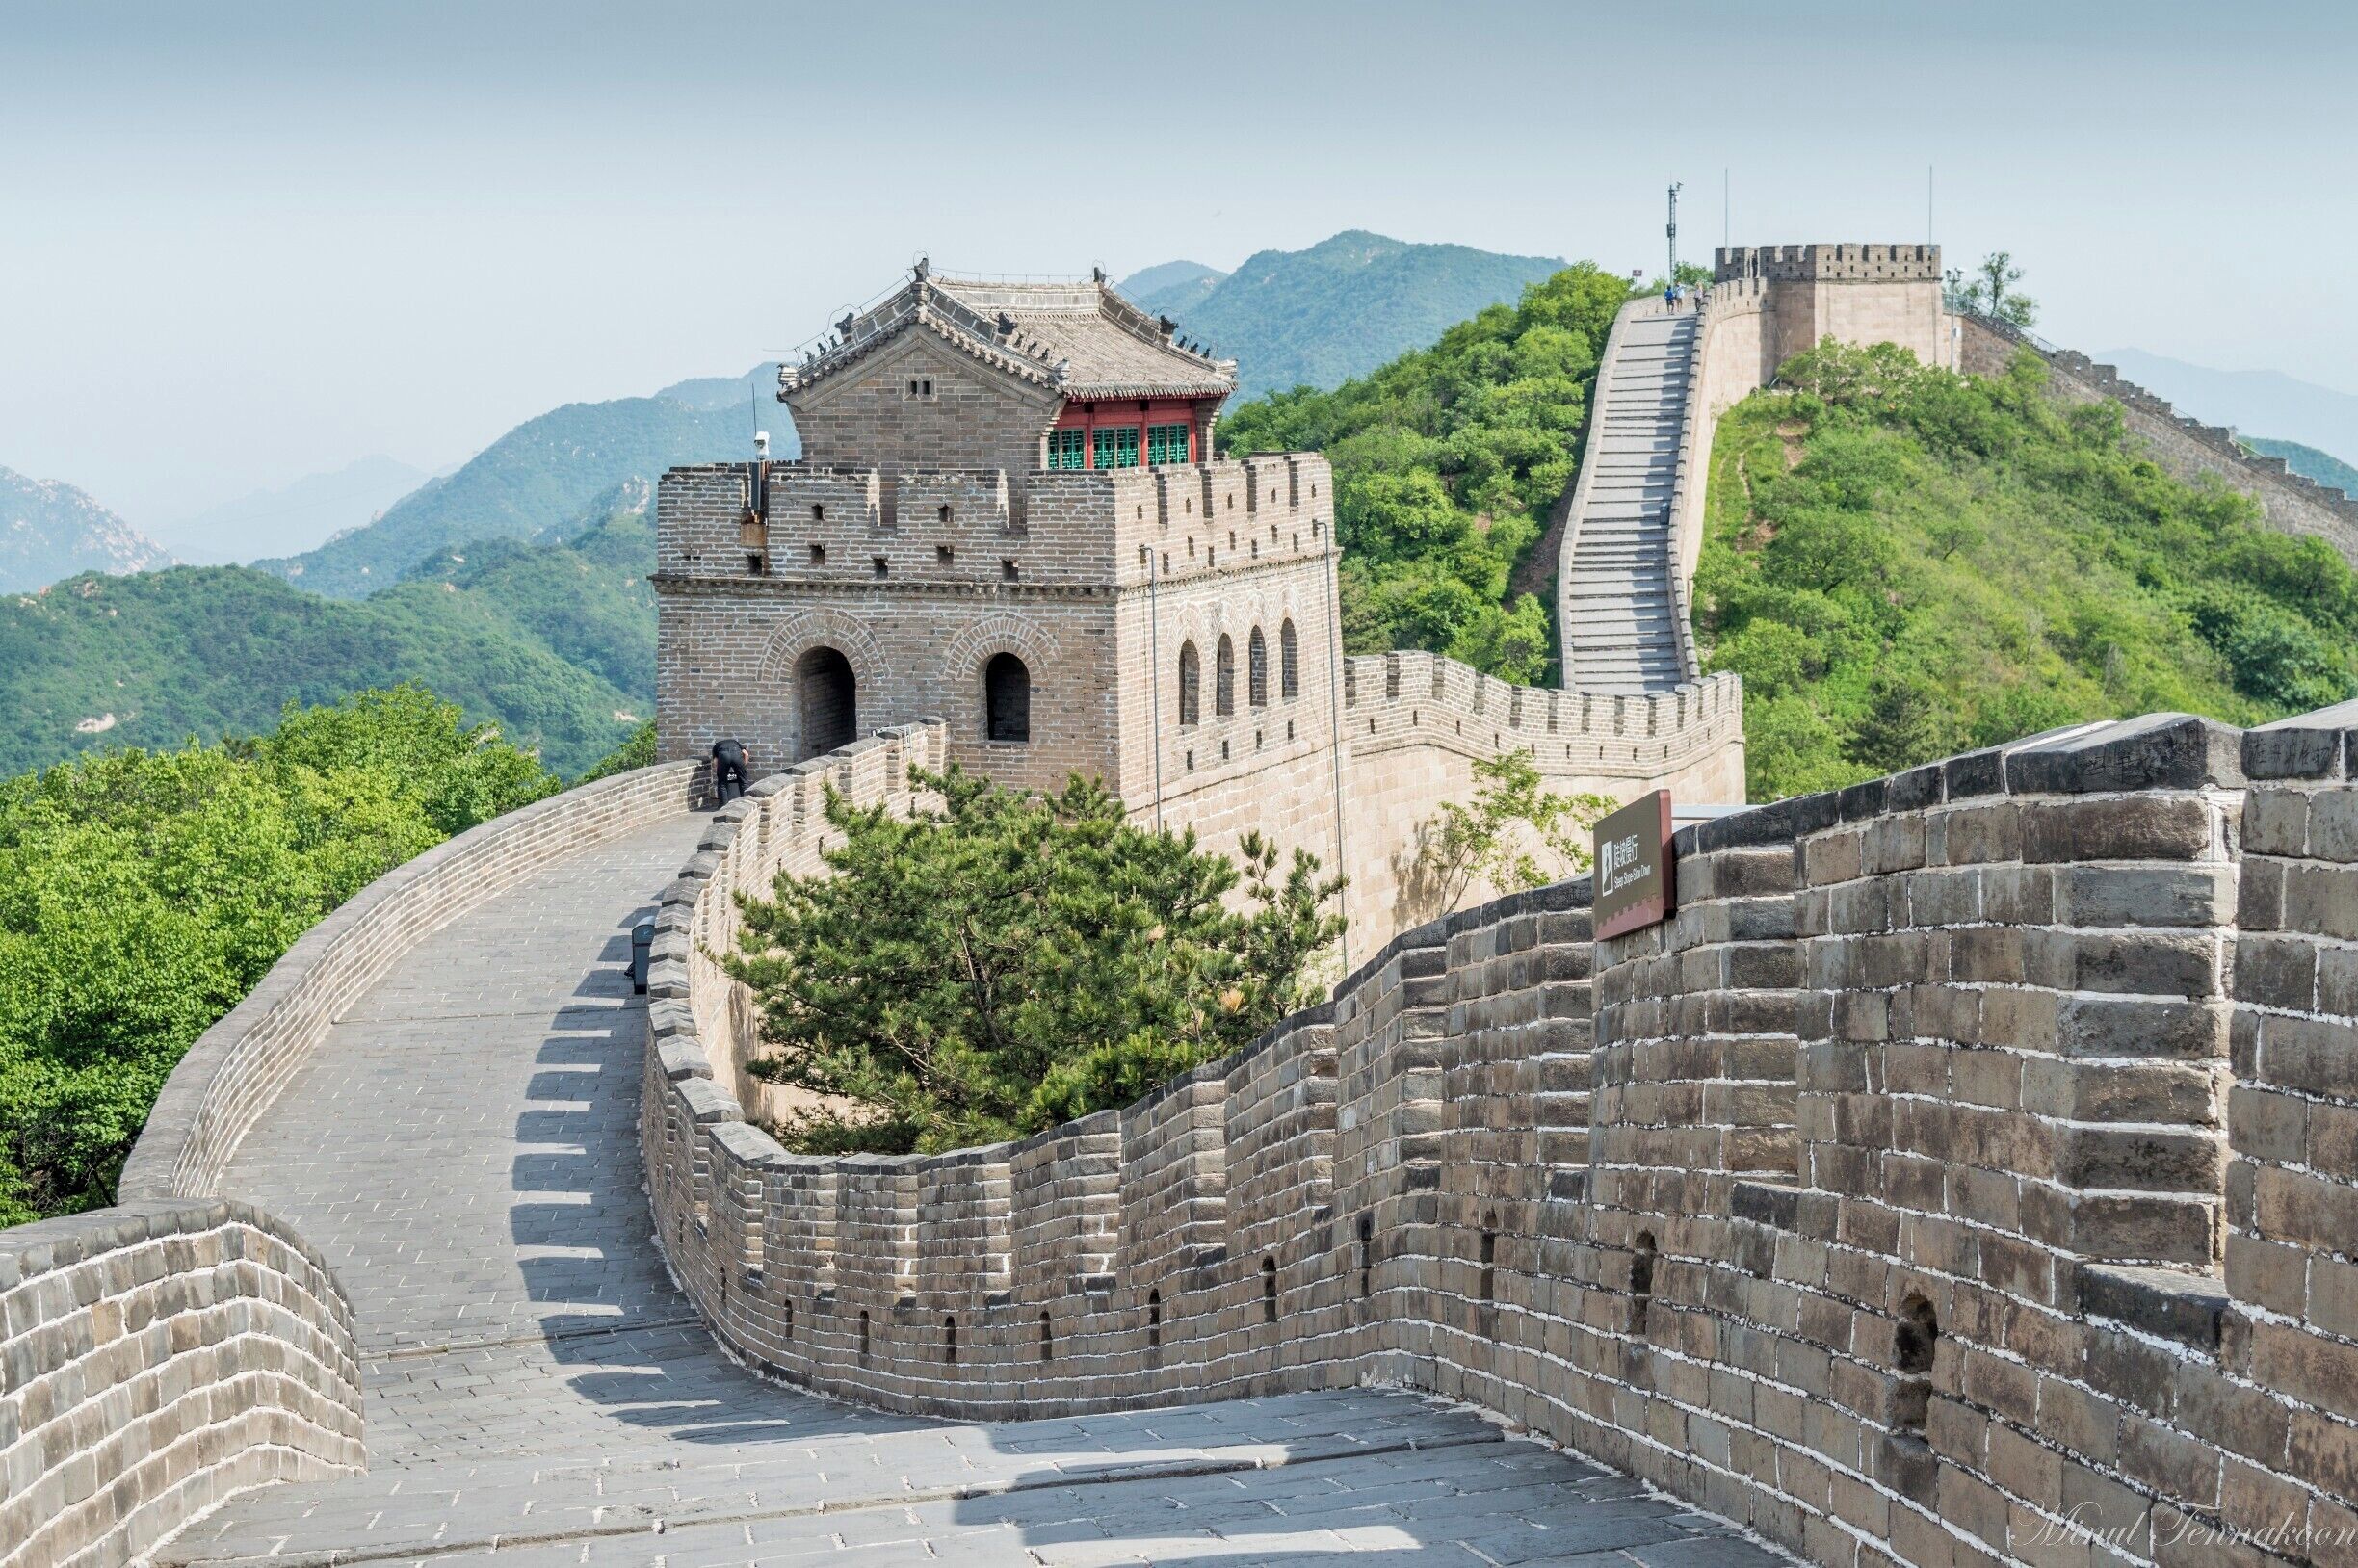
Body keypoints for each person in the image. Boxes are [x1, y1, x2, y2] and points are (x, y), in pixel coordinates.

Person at [709, 737, 751, 803]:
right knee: (743, 781)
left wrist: (720, 772)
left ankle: (723, 805)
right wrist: (743, 766)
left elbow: (715, 761)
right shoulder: (735, 742)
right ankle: (746, 803)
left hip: (723, 755)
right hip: (736, 754)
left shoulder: (716, 746)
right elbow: (746, 754)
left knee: (722, 783)